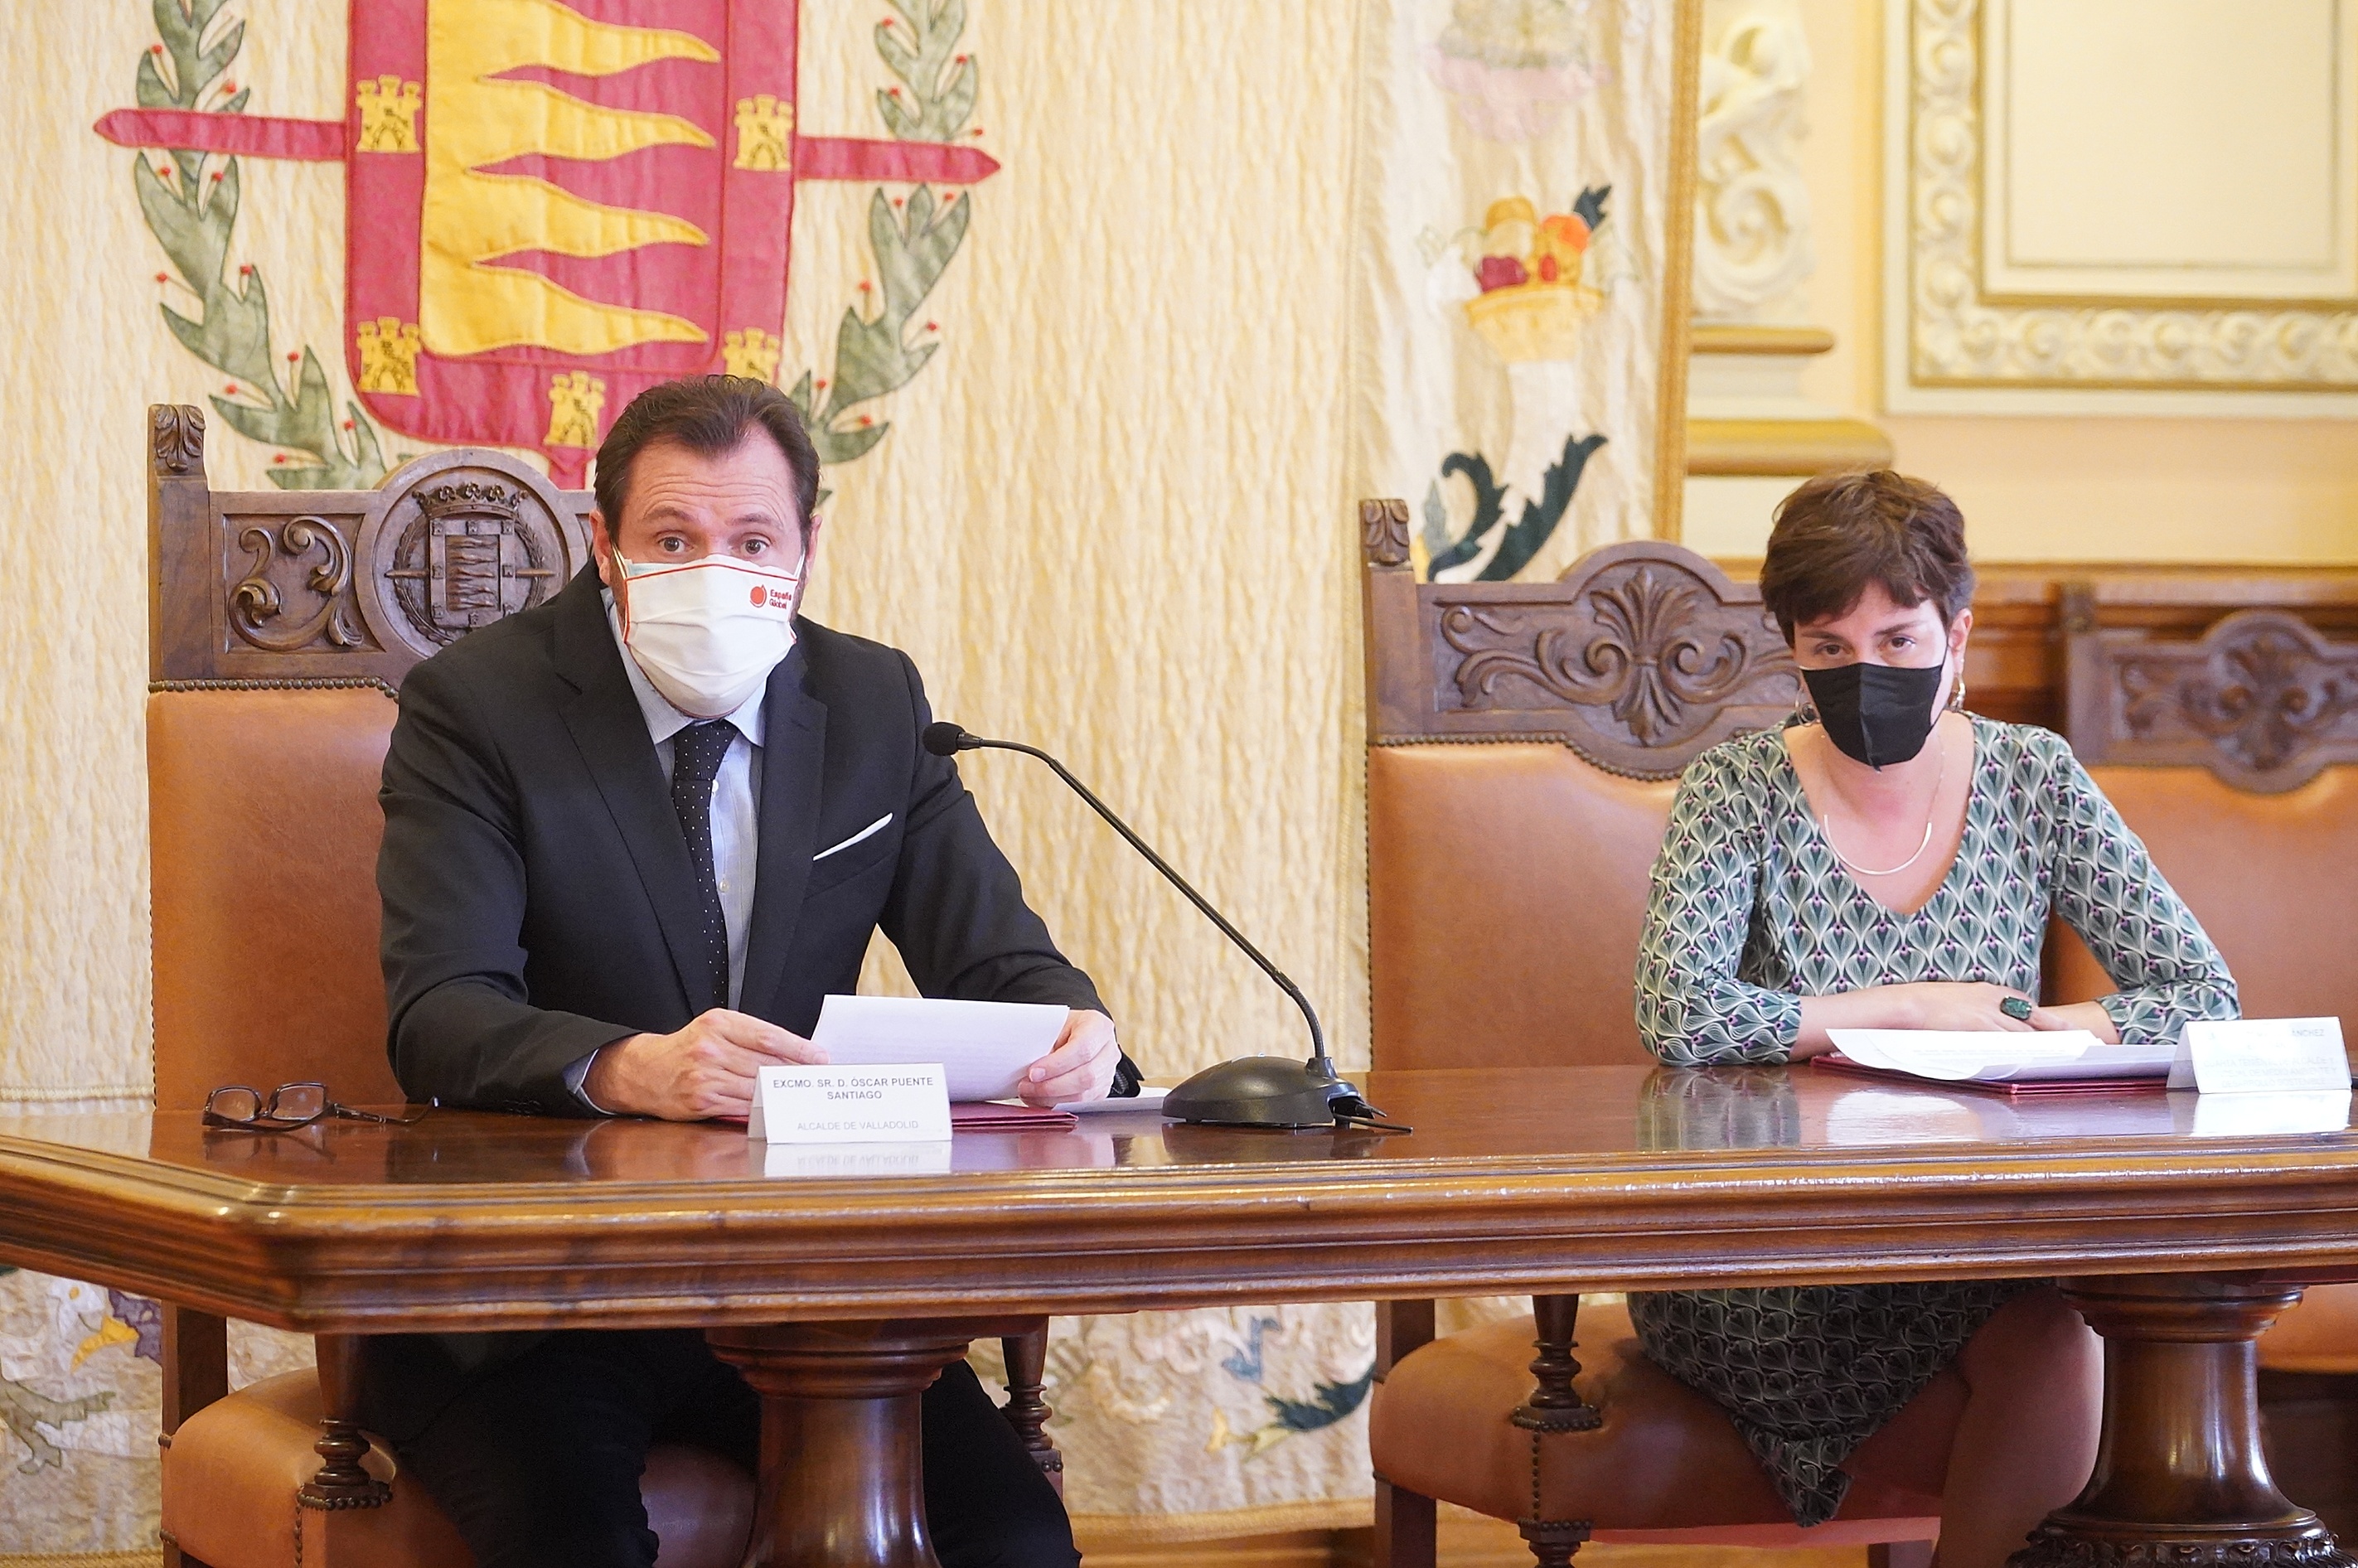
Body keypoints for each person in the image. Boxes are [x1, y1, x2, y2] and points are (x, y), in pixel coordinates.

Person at [366, 375, 1135, 1568]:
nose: (715, 571)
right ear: (606, 547)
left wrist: (1072, 1033)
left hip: (800, 1290)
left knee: (1014, 1544)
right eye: (673, 539)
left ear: (808, 549)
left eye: (754, 541)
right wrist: (628, 1067)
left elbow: (1002, 960)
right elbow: (440, 1011)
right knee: (577, 1541)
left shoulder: (873, 703)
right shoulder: (477, 705)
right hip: (534, 1302)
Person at [1630, 469, 2238, 1568]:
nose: (1865, 671)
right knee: (2059, 1349)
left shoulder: (2031, 776)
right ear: (1792, 650)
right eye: (1828, 648)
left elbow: (2201, 991)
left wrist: (2041, 1030)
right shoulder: (1736, 788)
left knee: (2066, 1327)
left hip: (1976, 1229)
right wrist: (1911, 1007)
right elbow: (1681, 1011)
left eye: (1899, 641)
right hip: (1767, 1252)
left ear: (1956, 634)